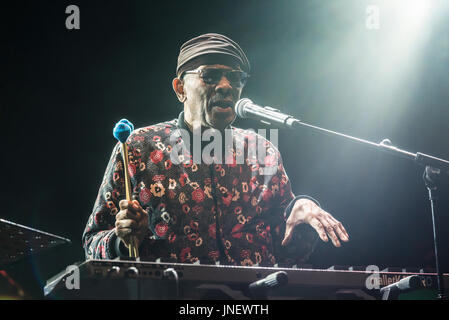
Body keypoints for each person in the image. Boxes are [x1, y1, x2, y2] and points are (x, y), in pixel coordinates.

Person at [82, 33, 349, 266]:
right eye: (209, 76)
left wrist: (302, 215)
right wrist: (122, 240)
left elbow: (286, 254)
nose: (225, 85)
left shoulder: (262, 151)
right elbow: (92, 243)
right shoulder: (138, 147)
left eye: (235, 78)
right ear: (180, 88)